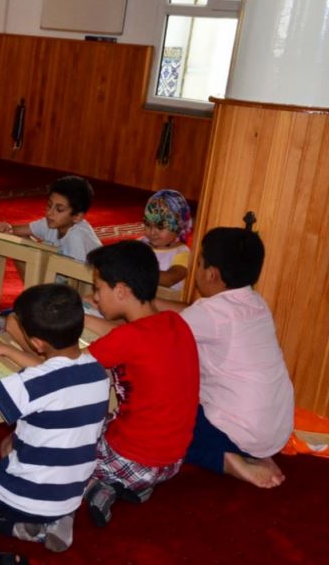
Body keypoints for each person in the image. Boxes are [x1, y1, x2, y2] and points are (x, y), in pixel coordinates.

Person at [0, 284, 110, 552]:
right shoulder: (97, 371)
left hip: (20, 497)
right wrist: (10, 351)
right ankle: (57, 519)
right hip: (70, 495)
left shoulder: (33, 383)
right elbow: (58, 375)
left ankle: (20, 529)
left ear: (36, 343)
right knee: (9, 445)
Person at [158, 228, 293, 488]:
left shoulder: (210, 314)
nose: (196, 269)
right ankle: (253, 456)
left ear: (211, 273)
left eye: (198, 263)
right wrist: (152, 302)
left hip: (240, 434)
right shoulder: (256, 303)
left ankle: (229, 461)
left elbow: (163, 332)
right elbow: (190, 314)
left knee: (164, 414)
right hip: (276, 431)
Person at [81, 241, 198, 528]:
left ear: (120, 291)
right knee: (106, 420)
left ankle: (98, 486)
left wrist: (14, 351)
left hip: (134, 458)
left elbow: (67, 368)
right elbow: (128, 337)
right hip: (172, 461)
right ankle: (130, 485)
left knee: (54, 447)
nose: (95, 297)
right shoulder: (175, 322)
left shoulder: (128, 339)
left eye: (98, 288)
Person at [0, 175, 101, 262]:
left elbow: (77, 280)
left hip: (83, 285)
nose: (49, 213)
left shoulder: (76, 237)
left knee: (24, 248)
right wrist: (6, 228)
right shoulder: (50, 222)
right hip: (60, 277)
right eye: (49, 205)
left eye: (59, 209)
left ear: (77, 216)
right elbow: (15, 231)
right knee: (18, 242)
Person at [139, 189, 193, 291]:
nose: (152, 232)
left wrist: (133, 271)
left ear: (178, 227)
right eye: (148, 224)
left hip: (166, 302)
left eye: (160, 227)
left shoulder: (182, 253)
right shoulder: (140, 244)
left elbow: (169, 279)